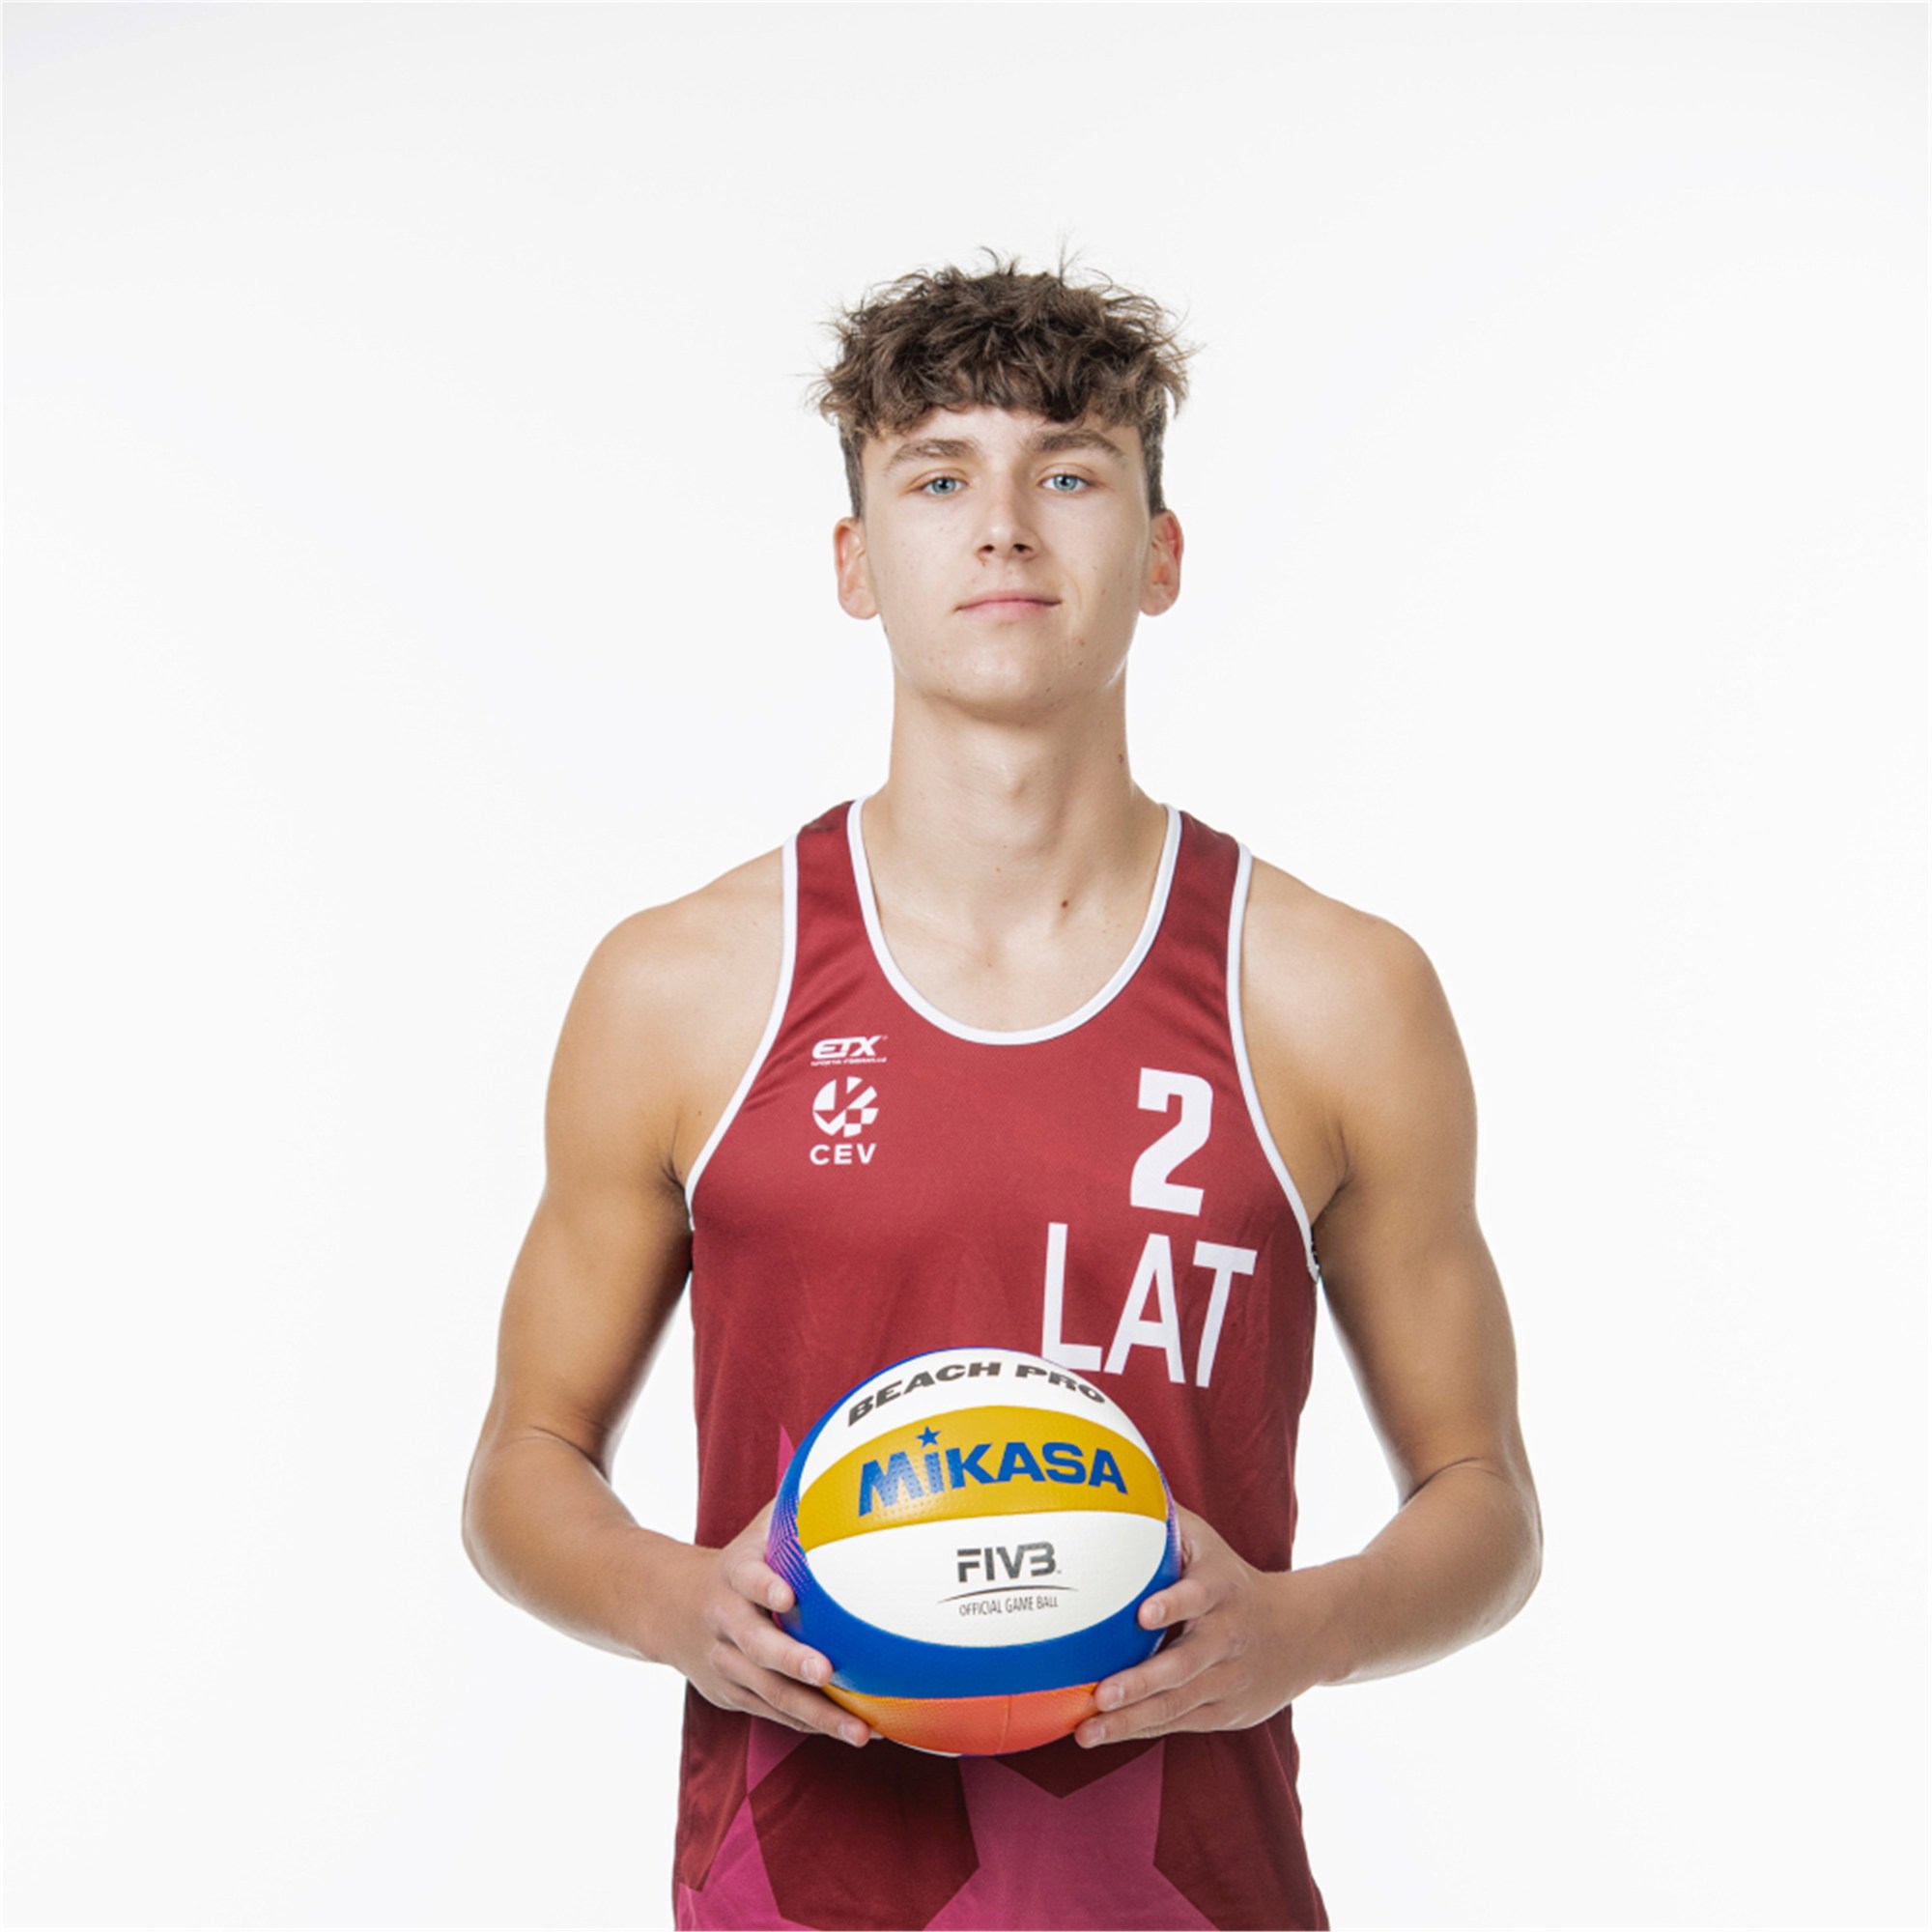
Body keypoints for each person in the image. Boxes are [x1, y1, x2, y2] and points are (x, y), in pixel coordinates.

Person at [462, 252, 1543, 1931]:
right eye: (938, 476)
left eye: (1071, 474)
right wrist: (677, 1603)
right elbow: (522, 1465)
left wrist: (1305, 1628)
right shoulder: (683, 985)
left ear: (1162, 554)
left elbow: (1487, 1503)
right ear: (855, 560)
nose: (1005, 529)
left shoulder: (1336, 992)